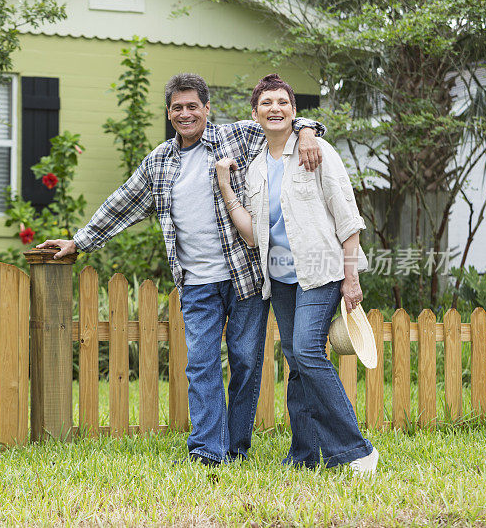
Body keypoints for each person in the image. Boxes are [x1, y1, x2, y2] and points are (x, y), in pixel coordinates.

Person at [37, 73, 326, 467]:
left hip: (245, 277)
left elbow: (283, 125)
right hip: (196, 283)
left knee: (245, 363)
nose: (186, 113)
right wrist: (79, 241)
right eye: (178, 107)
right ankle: (209, 450)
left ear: (207, 109)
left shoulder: (238, 136)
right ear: (169, 113)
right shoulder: (159, 161)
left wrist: (308, 131)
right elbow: (121, 204)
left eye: (193, 106)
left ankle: (236, 447)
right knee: (201, 365)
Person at [215, 73, 378, 474]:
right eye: (266, 103)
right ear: (254, 114)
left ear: (294, 112)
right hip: (282, 280)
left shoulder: (316, 150)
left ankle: (357, 450)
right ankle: (305, 454)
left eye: (283, 102)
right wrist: (225, 188)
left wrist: (351, 277)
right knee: (296, 361)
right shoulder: (253, 169)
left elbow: (349, 220)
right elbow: (253, 235)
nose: (275, 108)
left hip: (322, 270)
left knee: (307, 352)